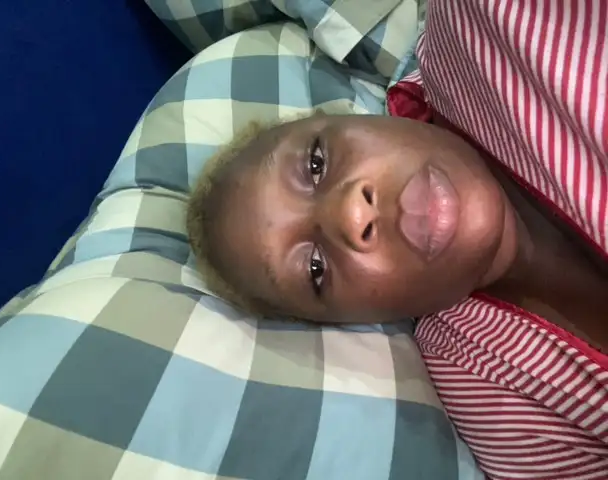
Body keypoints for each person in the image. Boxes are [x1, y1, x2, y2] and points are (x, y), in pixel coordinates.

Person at [187, 1, 608, 478]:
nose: (353, 214)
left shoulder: (493, 22)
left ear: (355, 118)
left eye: (316, 163)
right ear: (352, 320)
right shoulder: (487, 389)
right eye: (315, 269)